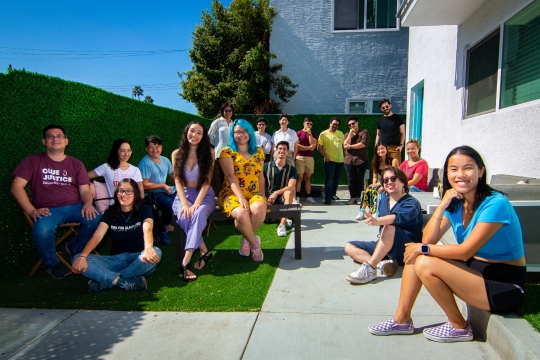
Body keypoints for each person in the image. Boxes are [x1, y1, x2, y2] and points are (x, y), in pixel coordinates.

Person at [368, 146, 526, 343]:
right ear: (447, 174)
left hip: (505, 287)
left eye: (468, 168)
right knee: (416, 256)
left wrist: (423, 249)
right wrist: (442, 205)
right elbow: (427, 240)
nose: (460, 175)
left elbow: (465, 251)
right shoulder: (458, 203)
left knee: (424, 260)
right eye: (453, 169)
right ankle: (401, 320)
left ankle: (460, 327)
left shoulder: (495, 204)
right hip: (476, 272)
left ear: (481, 171)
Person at [11, 124, 100, 279]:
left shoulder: (76, 163)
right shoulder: (32, 160)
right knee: (42, 230)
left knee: (96, 219)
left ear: (66, 141)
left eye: (59, 136)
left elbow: (85, 190)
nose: (55, 139)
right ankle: (51, 264)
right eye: (50, 136)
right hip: (48, 210)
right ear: (44, 141)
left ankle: (75, 247)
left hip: (76, 207)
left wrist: (87, 204)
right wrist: (32, 211)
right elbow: (16, 187)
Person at [71, 179, 162, 293]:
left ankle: (106, 281)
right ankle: (123, 282)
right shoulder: (111, 211)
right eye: (121, 191)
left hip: (139, 259)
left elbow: (147, 228)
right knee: (78, 257)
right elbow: (98, 235)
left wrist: (148, 248)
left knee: (156, 251)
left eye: (128, 191)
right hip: (115, 261)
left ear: (135, 194)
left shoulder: (144, 209)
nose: (124, 195)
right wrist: (83, 256)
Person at [345, 166, 423, 284]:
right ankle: (380, 264)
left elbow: (397, 218)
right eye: (385, 180)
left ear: (402, 182)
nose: (389, 182)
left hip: (405, 247)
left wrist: (377, 220)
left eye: (393, 179)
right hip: (385, 245)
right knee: (349, 246)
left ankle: (370, 268)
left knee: (389, 226)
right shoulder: (384, 200)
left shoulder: (411, 203)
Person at [171, 121, 216, 282]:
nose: (194, 135)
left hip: (203, 195)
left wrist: (196, 203)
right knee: (183, 217)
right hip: (182, 195)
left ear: (203, 136)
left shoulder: (209, 152)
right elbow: (177, 182)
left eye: (199, 132)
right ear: (186, 132)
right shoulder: (176, 154)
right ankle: (205, 251)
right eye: (192, 131)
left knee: (197, 214)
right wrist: (185, 204)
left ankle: (186, 260)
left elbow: (207, 181)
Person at [218, 119, 266, 262]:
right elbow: (230, 176)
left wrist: (262, 196)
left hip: (253, 193)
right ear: (233, 134)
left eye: (245, 131)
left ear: (250, 133)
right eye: (237, 131)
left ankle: (246, 240)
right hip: (231, 193)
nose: (241, 134)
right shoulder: (227, 151)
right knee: (241, 214)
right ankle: (255, 245)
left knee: (260, 208)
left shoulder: (259, 152)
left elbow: (261, 177)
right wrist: (241, 198)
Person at [138, 135, 174, 245]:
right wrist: (163, 185)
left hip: (163, 191)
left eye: (157, 146)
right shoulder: (145, 163)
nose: (155, 150)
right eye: (151, 147)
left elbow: (173, 175)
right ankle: (163, 228)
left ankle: (177, 224)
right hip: (150, 194)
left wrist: (183, 184)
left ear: (161, 147)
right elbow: (144, 185)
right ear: (146, 149)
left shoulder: (165, 160)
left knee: (182, 198)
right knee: (171, 204)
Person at [88, 138, 144, 208]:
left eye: (129, 150)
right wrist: (90, 184)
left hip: (133, 206)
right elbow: (84, 176)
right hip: (116, 207)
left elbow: (141, 192)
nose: (126, 154)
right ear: (116, 151)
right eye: (122, 151)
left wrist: (140, 206)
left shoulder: (135, 170)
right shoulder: (107, 167)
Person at [356, 142, 399, 220]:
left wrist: (383, 185)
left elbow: (395, 176)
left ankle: (375, 212)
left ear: (386, 149)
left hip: (391, 184)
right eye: (378, 149)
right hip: (380, 184)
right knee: (369, 189)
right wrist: (374, 183)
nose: (380, 151)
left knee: (375, 191)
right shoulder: (376, 162)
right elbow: (375, 176)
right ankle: (362, 211)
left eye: (382, 148)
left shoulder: (393, 161)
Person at [264, 141, 298, 237]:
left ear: (287, 152)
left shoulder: (292, 169)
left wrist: (276, 193)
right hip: (268, 195)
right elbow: (261, 184)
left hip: (281, 196)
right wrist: (264, 196)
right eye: (280, 149)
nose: (282, 151)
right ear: (276, 150)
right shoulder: (266, 166)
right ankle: (283, 217)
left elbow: (291, 187)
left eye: (284, 149)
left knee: (288, 193)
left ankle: (282, 224)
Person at [343, 116, 370, 205]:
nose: (351, 126)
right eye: (350, 125)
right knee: (351, 179)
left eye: (353, 123)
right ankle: (352, 197)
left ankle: (358, 197)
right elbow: (345, 144)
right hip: (349, 160)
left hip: (360, 159)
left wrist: (350, 146)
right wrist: (350, 135)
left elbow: (363, 144)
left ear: (357, 123)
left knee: (359, 178)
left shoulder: (364, 132)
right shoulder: (347, 134)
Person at [318, 117, 344, 205]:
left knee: (336, 179)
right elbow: (319, 147)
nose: (335, 126)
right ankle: (328, 198)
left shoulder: (340, 133)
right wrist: (325, 156)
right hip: (330, 161)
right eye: (334, 124)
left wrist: (344, 156)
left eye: (337, 125)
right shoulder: (323, 134)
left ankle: (332, 194)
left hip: (340, 160)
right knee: (329, 179)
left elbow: (343, 146)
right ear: (330, 123)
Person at [208, 102, 234, 182]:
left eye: (230, 110)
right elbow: (209, 135)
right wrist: (217, 144)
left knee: (231, 176)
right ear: (222, 111)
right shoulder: (217, 122)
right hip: (220, 154)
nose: (228, 112)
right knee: (222, 176)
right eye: (226, 110)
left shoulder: (233, 124)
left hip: (232, 154)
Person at [295, 117, 317, 204]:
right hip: (300, 157)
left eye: (311, 124)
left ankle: (308, 196)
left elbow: (313, 145)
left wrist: (309, 134)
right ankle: (297, 196)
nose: (309, 125)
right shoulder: (298, 133)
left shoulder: (313, 134)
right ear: (303, 123)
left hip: (310, 158)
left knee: (308, 178)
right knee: (299, 178)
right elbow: (297, 146)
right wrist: (308, 148)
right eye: (307, 123)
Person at [375, 99, 405, 163]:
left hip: (395, 147)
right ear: (381, 109)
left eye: (387, 106)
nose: (385, 108)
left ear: (390, 106)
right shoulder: (379, 120)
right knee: (384, 169)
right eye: (383, 107)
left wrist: (401, 145)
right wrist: (376, 146)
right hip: (383, 147)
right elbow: (378, 134)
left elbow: (402, 133)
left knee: (395, 168)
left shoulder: (398, 118)